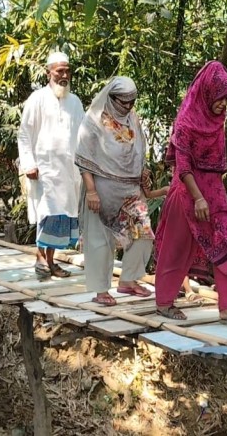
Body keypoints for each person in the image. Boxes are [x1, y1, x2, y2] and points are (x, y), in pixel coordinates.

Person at [154, 61, 227, 324]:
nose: (223, 104)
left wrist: (211, 197)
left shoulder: (216, 122)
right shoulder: (187, 123)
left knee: (226, 243)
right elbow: (183, 165)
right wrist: (198, 197)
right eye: (220, 98)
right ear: (207, 92)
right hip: (188, 193)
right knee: (176, 248)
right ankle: (164, 302)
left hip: (214, 193)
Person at [75, 77, 154, 306]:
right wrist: (91, 191)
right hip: (101, 188)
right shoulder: (93, 121)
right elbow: (83, 158)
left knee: (143, 233)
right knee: (100, 241)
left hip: (130, 187)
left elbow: (139, 149)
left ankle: (128, 280)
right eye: (123, 102)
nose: (128, 107)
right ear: (111, 98)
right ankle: (101, 289)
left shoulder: (133, 119)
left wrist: (143, 171)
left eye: (132, 102)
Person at [17, 52, 85, 278]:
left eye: (67, 71)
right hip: (44, 170)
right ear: (49, 73)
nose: (64, 75)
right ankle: (40, 257)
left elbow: (83, 135)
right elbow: (25, 134)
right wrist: (29, 163)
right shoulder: (37, 99)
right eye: (59, 71)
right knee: (46, 213)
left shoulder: (75, 102)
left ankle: (51, 260)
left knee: (62, 216)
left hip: (69, 171)